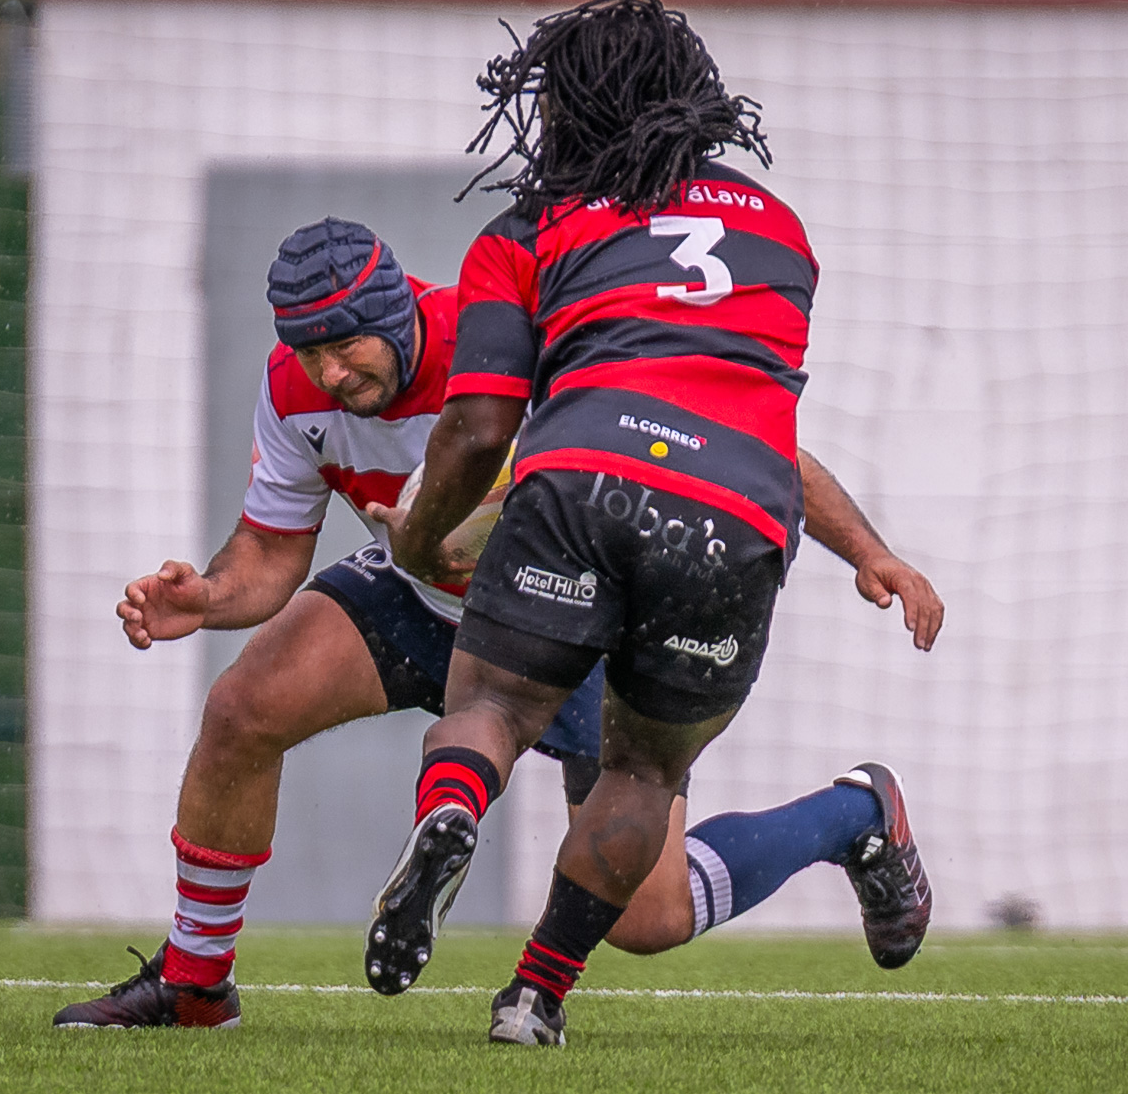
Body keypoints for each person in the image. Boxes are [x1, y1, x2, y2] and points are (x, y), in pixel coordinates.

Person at [52, 215, 942, 1031]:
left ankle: (853, 812)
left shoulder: (513, 341)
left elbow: (746, 445)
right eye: (310, 351)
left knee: (648, 917)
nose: (330, 373)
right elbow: (272, 554)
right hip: (420, 596)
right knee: (241, 708)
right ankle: (196, 985)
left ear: (397, 311)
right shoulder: (293, 391)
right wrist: (210, 596)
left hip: (570, 617)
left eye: (346, 346)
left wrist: (870, 552)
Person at [366, 0, 934, 1049]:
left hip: (581, 482)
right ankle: (535, 997)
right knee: (643, 772)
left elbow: (482, 424)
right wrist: (870, 551)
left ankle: (454, 804)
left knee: (490, 702)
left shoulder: (529, 227)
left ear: (568, 108)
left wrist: (420, 533)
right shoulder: (780, 232)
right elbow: (743, 421)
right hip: (736, 516)